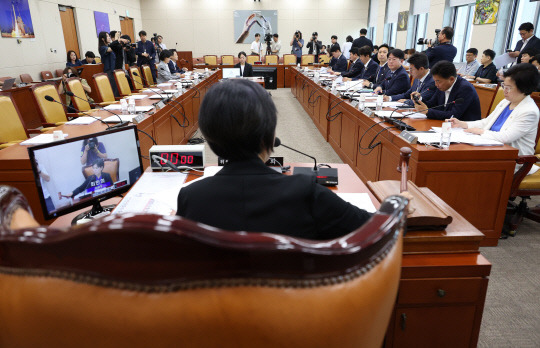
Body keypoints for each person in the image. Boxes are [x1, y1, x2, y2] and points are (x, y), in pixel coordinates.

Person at [176, 79, 372, 239]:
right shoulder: (306, 193)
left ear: (210, 137)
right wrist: (397, 203)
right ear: (269, 136)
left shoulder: (190, 198)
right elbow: (377, 226)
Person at [450, 64, 540, 173]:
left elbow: (506, 137)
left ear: (524, 88)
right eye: (503, 85)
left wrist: (480, 132)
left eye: (509, 87)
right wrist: (463, 124)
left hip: (513, 161)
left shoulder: (529, 111)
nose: (504, 90)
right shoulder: (506, 102)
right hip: (493, 150)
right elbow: (487, 122)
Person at [412, 61, 481, 121]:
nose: (436, 84)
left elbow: (454, 115)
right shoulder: (442, 86)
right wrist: (419, 100)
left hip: (464, 128)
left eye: (438, 81)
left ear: (451, 79)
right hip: (445, 124)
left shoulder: (465, 88)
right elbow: (432, 104)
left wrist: (427, 112)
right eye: (435, 81)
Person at [98, 31, 118, 97]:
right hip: (108, 71)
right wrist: (116, 39)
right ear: (103, 39)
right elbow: (111, 49)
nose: (109, 37)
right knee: (113, 90)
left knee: (117, 89)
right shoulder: (102, 48)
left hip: (113, 70)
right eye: (107, 36)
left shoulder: (109, 46)